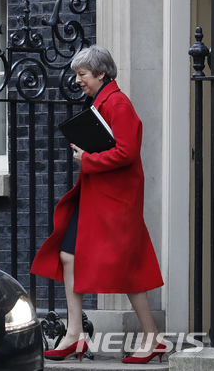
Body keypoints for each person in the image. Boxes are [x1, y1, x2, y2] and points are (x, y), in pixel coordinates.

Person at [30, 45, 168, 364]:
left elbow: (128, 152)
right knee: (68, 255)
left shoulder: (118, 103)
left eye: (82, 74)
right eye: (78, 75)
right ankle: (75, 334)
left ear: (101, 73)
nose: (78, 80)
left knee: (130, 268)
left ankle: (153, 338)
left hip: (116, 199)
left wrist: (87, 158)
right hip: (99, 194)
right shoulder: (102, 102)